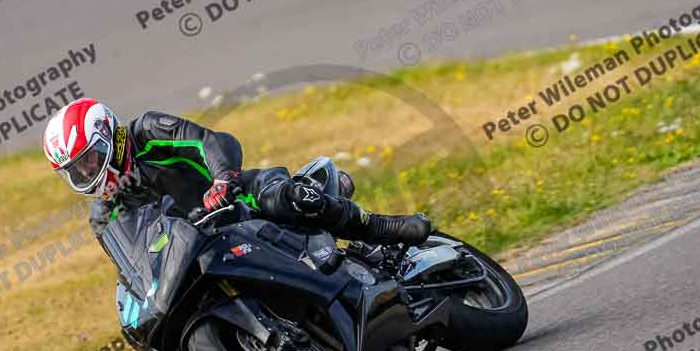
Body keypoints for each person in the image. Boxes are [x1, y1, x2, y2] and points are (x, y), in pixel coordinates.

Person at [42, 98, 431, 245]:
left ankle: (378, 226)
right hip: (198, 245)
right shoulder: (105, 213)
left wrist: (222, 179)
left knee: (286, 198)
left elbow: (210, 141)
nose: (88, 172)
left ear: (108, 135)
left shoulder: (148, 131)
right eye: (76, 170)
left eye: (89, 159)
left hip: (238, 197)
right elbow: (130, 262)